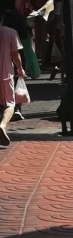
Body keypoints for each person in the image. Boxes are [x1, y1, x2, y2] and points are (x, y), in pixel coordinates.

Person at [0, 0, 29, 121]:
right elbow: (24, 34)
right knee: (15, 78)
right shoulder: (16, 16)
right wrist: (20, 68)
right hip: (14, 48)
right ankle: (16, 107)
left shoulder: (3, 16)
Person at [0, 19, 23, 148]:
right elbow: (15, 54)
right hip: (5, 74)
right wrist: (20, 69)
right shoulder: (10, 32)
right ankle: (3, 125)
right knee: (9, 104)